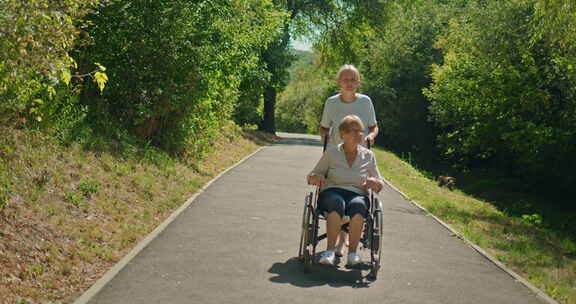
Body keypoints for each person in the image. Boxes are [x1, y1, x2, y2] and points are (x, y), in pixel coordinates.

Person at [307, 115, 384, 266]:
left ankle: (353, 254)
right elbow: (312, 175)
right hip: (332, 192)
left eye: (360, 131)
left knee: (359, 206)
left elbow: (380, 183)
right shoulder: (332, 153)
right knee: (337, 203)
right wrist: (315, 177)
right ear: (342, 134)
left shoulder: (368, 155)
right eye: (353, 131)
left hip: (358, 193)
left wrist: (373, 182)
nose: (359, 134)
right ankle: (329, 252)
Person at [319, 64, 380, 257]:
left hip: (359, 153)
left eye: (353, 79)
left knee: (354, 199)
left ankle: (343, 243)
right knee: (335, 198)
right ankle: (336, 242)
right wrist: (325, 141)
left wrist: (370, 137)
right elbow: (324, 127)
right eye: (345, 79)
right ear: (339, 82)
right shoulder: (331, 102)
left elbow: (373, 127)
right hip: (335, 154)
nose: (349, 83)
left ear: (358, 82)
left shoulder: (365, 102)